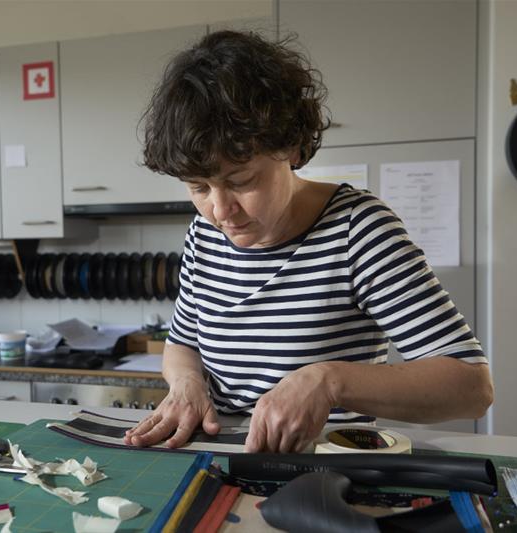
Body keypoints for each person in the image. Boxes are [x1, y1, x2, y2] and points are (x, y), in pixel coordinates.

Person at [123, 30, 493, 454]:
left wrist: (328, 380)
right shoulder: (203, 233)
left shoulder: (358, 229)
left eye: (240, 181)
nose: (221, 212)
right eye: (198, 188)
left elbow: (470, 387)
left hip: (325, 469)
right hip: (217, 455)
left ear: (292, 148)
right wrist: (187, 383)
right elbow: (183, 343)